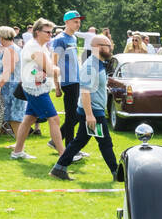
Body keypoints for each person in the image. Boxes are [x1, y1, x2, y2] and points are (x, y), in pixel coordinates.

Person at [50, 33, 118, 180]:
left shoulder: (99, 63)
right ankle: (117, 173)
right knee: (105, 143)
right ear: (98, 47)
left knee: (79, 141)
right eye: (108, 46)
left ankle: (59, 168)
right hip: (93, 112)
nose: (111, 49)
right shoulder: (91, 66)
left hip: (92, 110)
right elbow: (85, 91)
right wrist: (89, 115)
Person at [10, 19, 66, 159]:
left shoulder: (41, 47)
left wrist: (42, 72)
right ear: (37, 32)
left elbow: (32, 69)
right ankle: (63, 155)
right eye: (47, 32)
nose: (50, 35)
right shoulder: (34, 47)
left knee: (29, 119)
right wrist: (57, 69)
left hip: (35, 86)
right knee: (54, 119)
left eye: (51, 32)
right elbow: (50, 70)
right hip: (36, 89)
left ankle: (17, 152)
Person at [50, 10, 84, 147]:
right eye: (75, 22)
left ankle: (57, 141)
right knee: (72, 116)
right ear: (67, 22)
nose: (78, 24)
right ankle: (69, 148)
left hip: (76, 80)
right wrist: (57, 86)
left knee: (75, 115)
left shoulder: (74, 38)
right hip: (67, 81)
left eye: (79, 22)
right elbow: (54, 63)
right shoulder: (60, 39)